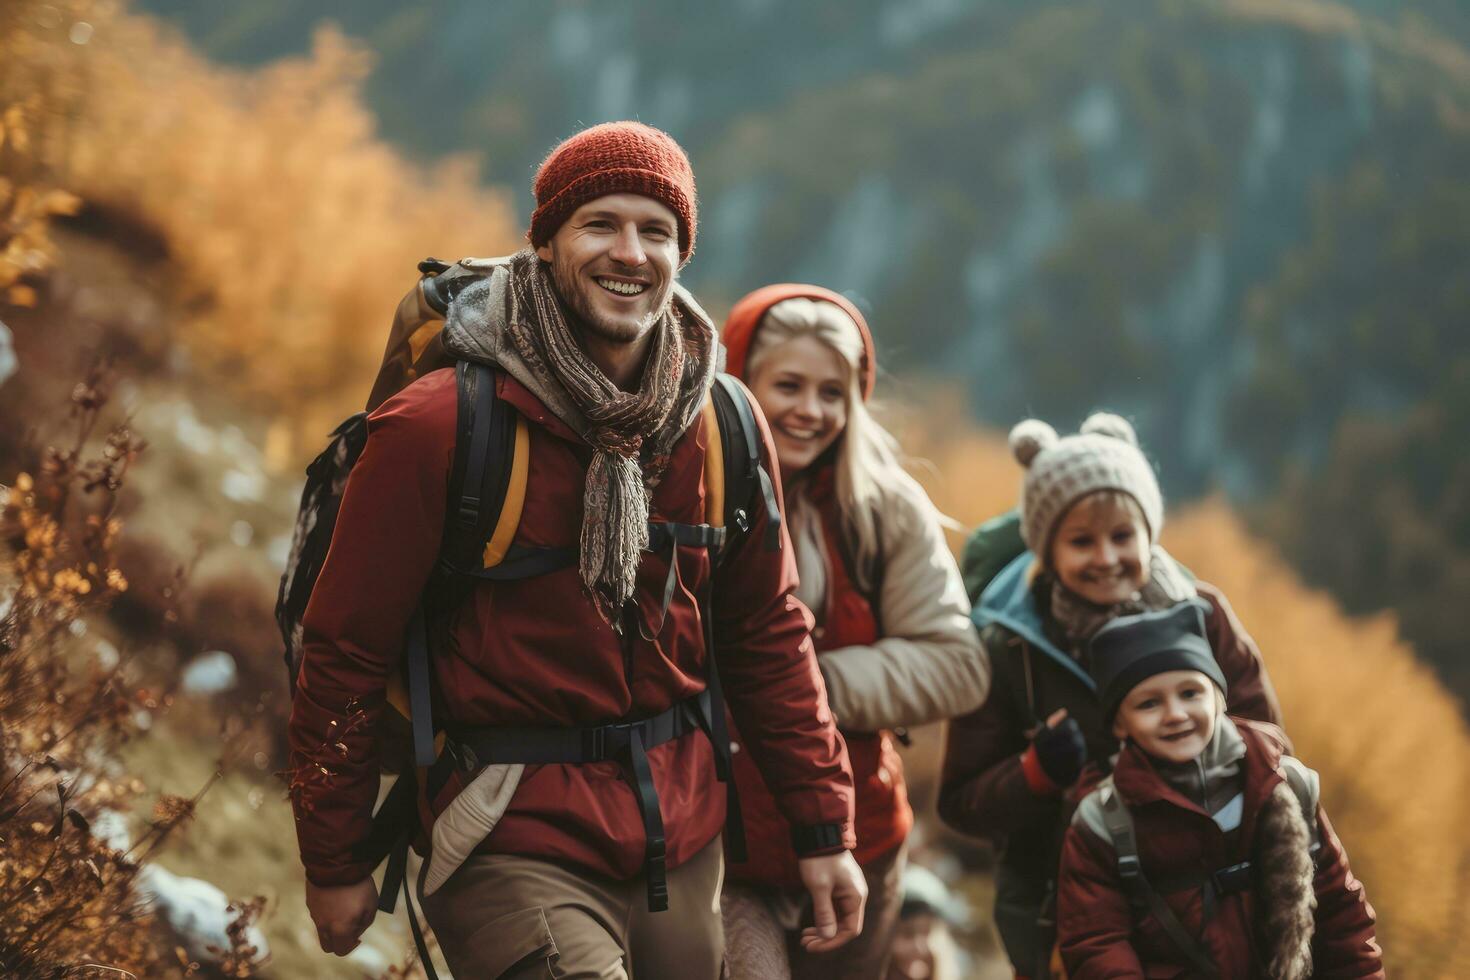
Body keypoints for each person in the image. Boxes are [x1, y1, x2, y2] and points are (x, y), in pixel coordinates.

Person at [287, 122, 867, 979]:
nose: (629, 252)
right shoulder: (440, 426)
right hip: (502, 827)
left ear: (682, 252)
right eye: (600, 224)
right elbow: (343, 646)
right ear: (547, 240)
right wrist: (333, 859)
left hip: (681, 838)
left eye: (657, 230)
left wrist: (826, 829)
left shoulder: (726, 424)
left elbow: (768, 635)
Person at [938, 413, 1284, 980]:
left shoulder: (1202, 615)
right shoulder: (1008, 647)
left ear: (1149, 532)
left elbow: (1268, 746)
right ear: (1047, 550)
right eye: (1081, 541)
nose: (1106, 557)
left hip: (1208, 904)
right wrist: (1036, 773)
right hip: (1063, 921)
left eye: (1123, 536)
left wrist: (1196, 752)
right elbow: (961, 800)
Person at [718, 286, 989, 979]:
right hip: (723, 853)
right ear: (739, 380)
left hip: (862, 844)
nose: (811, 410)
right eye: (788, 385)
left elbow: (958, 663)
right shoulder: (697, 489)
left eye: (833, 392)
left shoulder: (885, 509)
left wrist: (803, 686)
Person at [1057, 602, 1382, 978]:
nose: (1175, 713)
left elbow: (1342, 915)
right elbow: (1097, 944)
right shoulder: (1103, 823)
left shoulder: (1285, 785)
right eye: (1148, 703)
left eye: (1190, 693)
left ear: (1219, 699)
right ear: (1119, 724)